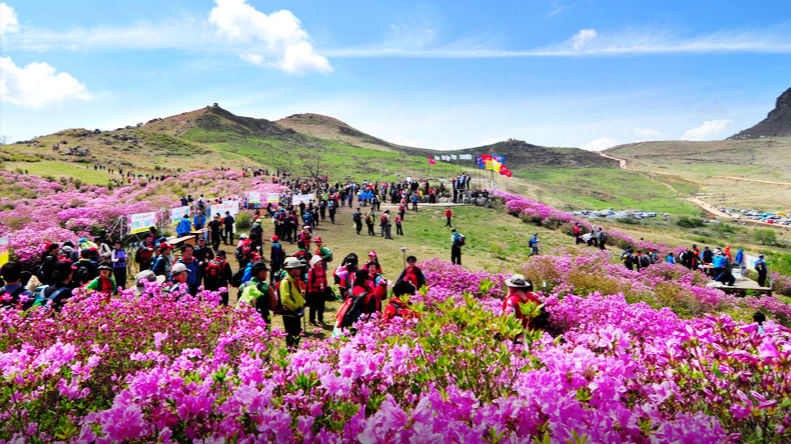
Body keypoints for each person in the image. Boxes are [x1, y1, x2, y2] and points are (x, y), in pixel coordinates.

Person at [279, 258, 306, 348]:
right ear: (291, 270)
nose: (300, 270)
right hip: (290, 314)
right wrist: (296, 308)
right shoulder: (285, 282)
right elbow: (285, 300)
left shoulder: (295, 281)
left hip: (296, 314)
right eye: (298, 268)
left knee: (297, 336)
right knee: (291, 338)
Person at [306, 255, 328, 326]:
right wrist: (310, 290)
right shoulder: (311, 270)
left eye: (320, 261)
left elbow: (324, 278)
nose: (320, 262)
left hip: (321, 291)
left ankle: (320, 319)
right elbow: (309, 281)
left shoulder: (322, 269)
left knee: (321, 306)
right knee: (313, 307)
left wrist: (325, 286)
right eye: (318, 261)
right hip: (314, 291)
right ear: (315, 262)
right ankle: (311, 320)